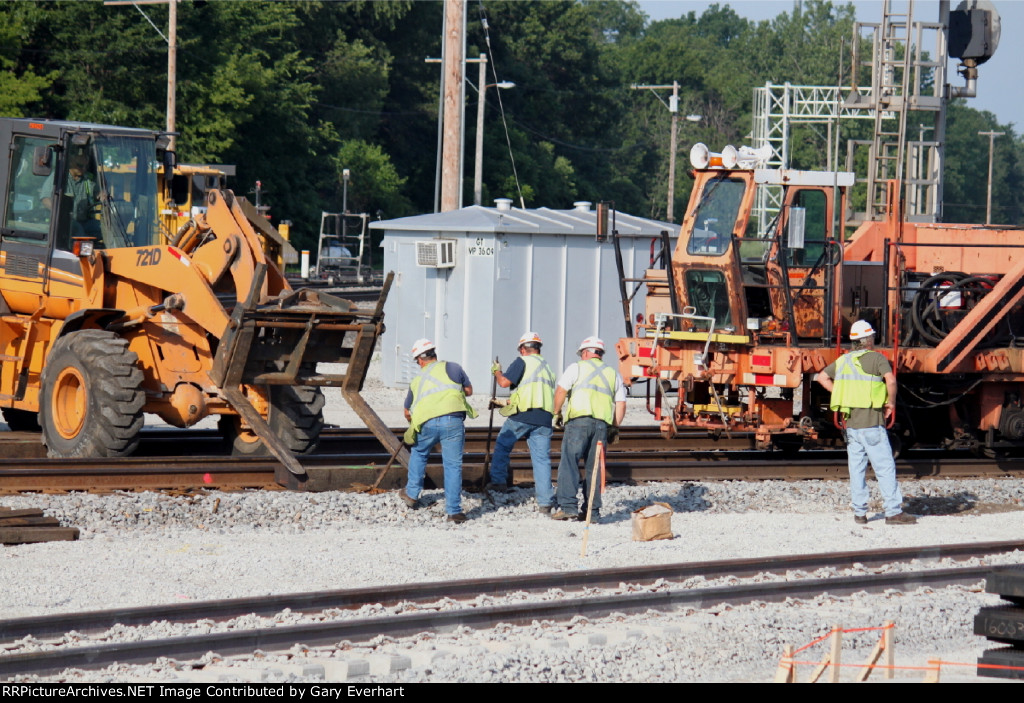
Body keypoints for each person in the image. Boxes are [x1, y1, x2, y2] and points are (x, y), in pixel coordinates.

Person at [815, 320, 916, 525]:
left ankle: (860, 513)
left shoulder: (843, 361)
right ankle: (893, 512)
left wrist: (842, 394)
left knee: (857, 469)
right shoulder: (877, 359)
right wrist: (891, 402)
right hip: (872, 423)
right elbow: (891, 381)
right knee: (885, 467)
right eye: (872, 337)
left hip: (851, 426)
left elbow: (821, 377)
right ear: (868, 339)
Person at [400, 339, 476, 523]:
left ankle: (411, 494)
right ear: (434, 354)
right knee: (452, 465)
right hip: (453, 420)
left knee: (419, 452)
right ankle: (454, 512)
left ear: (419, 360)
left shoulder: (416, 381)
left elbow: (407, 412)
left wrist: (413, 421)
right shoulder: (453, 368)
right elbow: (469, 391)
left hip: (427, 422)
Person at [551, 336, 626, 522]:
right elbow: (621, 404)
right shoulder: (613, 373)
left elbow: (560, 391)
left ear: (585, 352)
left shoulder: (576, 367)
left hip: (578, 422)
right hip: (601, 425)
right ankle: (592, 512)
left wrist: (556, 413)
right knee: (595, 468)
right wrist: (615, 427)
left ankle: (568, 507)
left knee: (569, 463)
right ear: (600, 354)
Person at [487, 331, 556, 512]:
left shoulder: (522, 362)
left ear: (524, 349)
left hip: (523, 415)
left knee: (502, 445)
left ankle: (498, 482)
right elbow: (533, 390)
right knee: (541, 460)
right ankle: (545, 502)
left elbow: (503, 382)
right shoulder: (548, 368)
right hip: (544, 418)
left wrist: (497, 371)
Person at [42, 152, 104, 240]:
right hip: (64, 223)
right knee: (78, 230)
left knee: (104, 228)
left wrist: (101, 196)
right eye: (80, 165)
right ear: (71, 162)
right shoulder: (59, 177)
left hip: (84, 221)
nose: (84, 169)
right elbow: (45, 198)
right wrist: (59, 211)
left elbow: (97, 194)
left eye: (85, 166)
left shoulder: (88, 179)